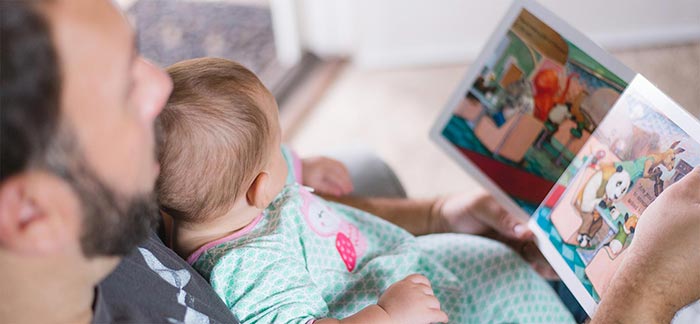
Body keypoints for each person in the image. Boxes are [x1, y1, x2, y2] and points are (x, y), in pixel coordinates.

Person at [0, 0, 698, 323]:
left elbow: (267, 211)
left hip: (419, 271)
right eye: (122, 84)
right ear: (30, 213)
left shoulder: (126, 196)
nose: (159, 84)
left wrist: (429, 212)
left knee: (356, 163)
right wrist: (648, 291)